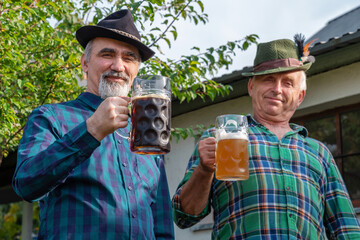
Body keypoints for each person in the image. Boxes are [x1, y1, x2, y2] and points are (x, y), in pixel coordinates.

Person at [172, 37, 360, 239]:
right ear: (251, 87)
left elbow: (346, 230)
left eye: (287, 82)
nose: (277, 89)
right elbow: (184, 216)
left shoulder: (319, 153)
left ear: (300, 96)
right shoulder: (221, 138)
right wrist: (204, 170)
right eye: (268, 79)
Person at [12, 9, 174, 239]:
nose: (118, 66)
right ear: (85, 63)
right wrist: (91, 131)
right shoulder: (51, 117)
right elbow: (26, 184)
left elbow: (162, 225)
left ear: (137, 69)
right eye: (107, 54)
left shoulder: (148, 134)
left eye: (129, 58)